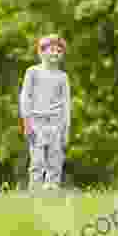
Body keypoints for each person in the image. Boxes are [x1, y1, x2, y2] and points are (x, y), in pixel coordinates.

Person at [19, 34, 71, 190]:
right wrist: (26, 122)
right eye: (52, 50)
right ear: (41, 52)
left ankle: (51, 192)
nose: (55, 53)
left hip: (56, 123)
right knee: (37, 161)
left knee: (55, 161)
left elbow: (66, 104)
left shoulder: (62, 77)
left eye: (59, 51)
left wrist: (66, 129)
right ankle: (35, 191)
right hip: (36, 122)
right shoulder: (33, 72)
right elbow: (25, 97)